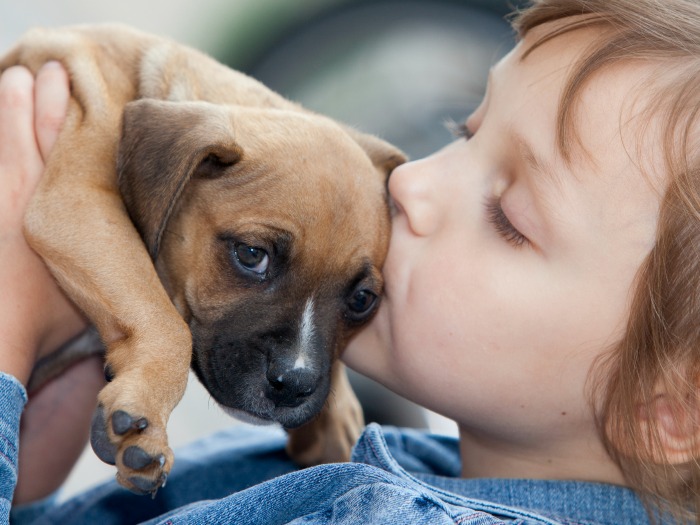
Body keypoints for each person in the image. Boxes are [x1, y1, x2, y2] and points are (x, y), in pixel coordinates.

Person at [2, 0, 699, 523]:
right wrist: (35, 462)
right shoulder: (397, 466)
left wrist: (5, 332)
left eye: (507, 218)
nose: (408, 180)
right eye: (468, 130)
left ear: (668, 412)